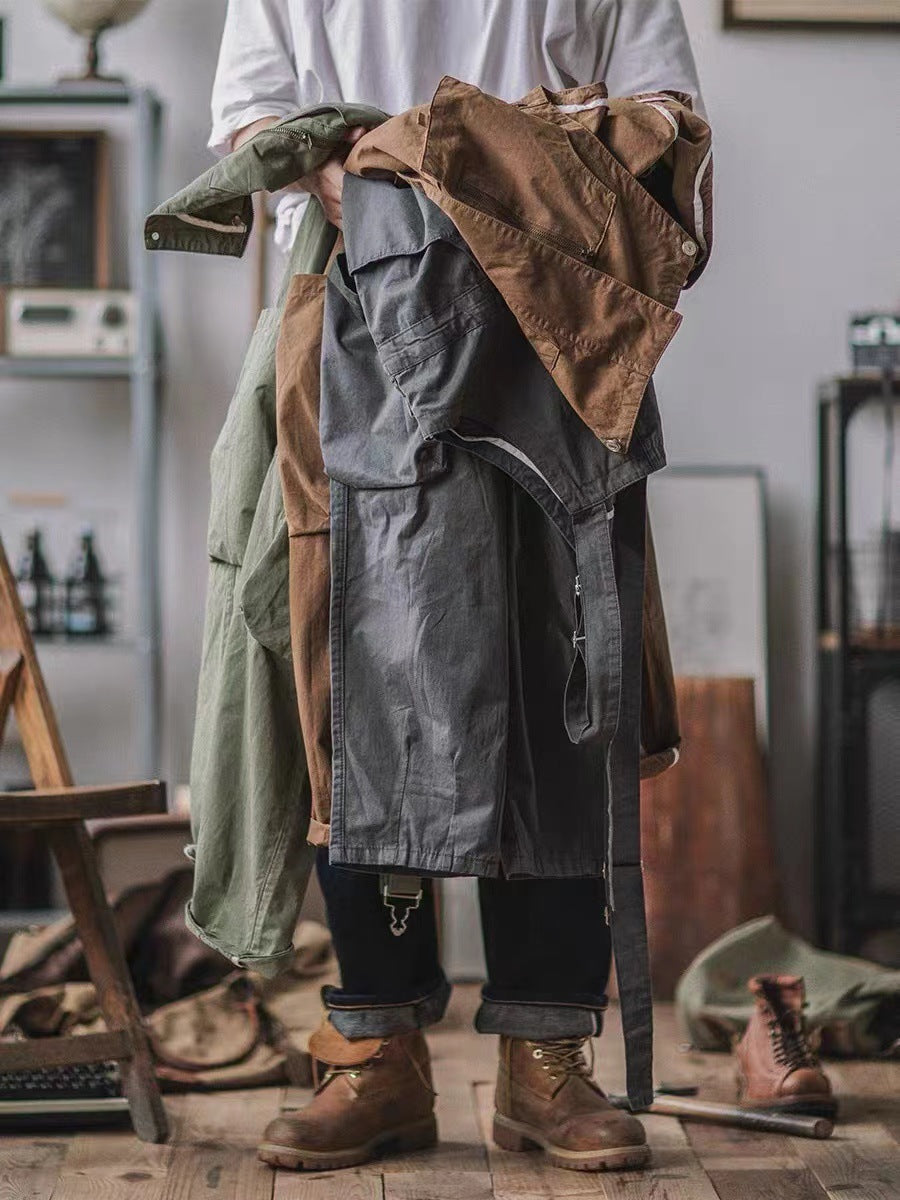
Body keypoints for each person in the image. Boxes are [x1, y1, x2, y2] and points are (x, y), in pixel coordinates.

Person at [208, 0, 705, 1175]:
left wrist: (495, 164)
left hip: (555, 322)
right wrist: (361, 176)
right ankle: (377, 1051)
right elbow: (253, 120)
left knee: (554, 665)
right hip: (354, 313)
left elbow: (669, 119)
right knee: (356, 670)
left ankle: (546, 1056)